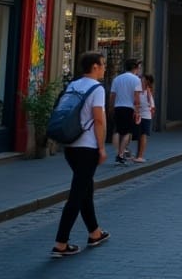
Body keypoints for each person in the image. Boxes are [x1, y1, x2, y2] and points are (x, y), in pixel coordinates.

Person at [51, 52, 109, 258]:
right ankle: (60, 243)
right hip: (87, 147)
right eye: (102, 65)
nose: (104, 68)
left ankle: (94, 232)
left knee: (85, 188)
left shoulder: (73, 85)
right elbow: (99, 120)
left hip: (71, 146)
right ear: (94, 67)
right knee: (77, 194)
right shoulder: (97, 89)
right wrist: (101, 147)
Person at [109, 59, 142, 165]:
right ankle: (121, 154)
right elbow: (137, 97)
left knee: (117, 131)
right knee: (127, 132)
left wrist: (111, 107)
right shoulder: (136, 80)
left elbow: (112, 95)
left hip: (118, 107)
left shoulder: (117, 79)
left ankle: (118, 152)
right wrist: (137, 109)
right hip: (129, 108)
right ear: (135, 68)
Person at [134, 74, 155, 163]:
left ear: (146, 80)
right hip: (140, 115)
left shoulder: (147, 91)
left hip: (145, 115)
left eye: (142, 78)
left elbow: (150, 105)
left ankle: (140, 155)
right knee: (140, 136)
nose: (140, 79)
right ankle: (138, 155)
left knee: (143, 135)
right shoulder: (139, 90)